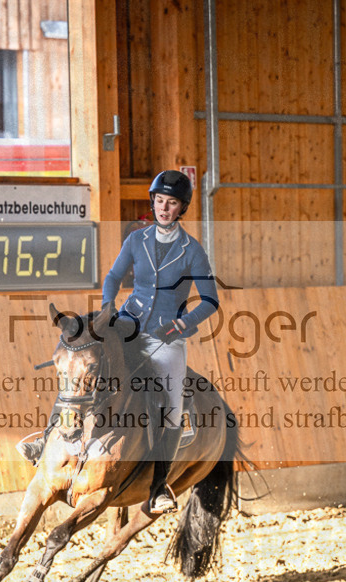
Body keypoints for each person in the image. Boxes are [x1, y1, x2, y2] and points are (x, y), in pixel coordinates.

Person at [18, 170, 219, 515]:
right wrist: (108, 307)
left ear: (181, 208)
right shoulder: (136, 241)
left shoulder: (192, 251)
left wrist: (181, 324)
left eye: (171, 204)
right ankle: (46, 441)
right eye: (159, 202)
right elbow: (112, 276)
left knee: (171, 408)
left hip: (166, 338)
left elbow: (210, 300)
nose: (163, 209)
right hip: (126, 326)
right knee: (79, 373)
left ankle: (157, 487)